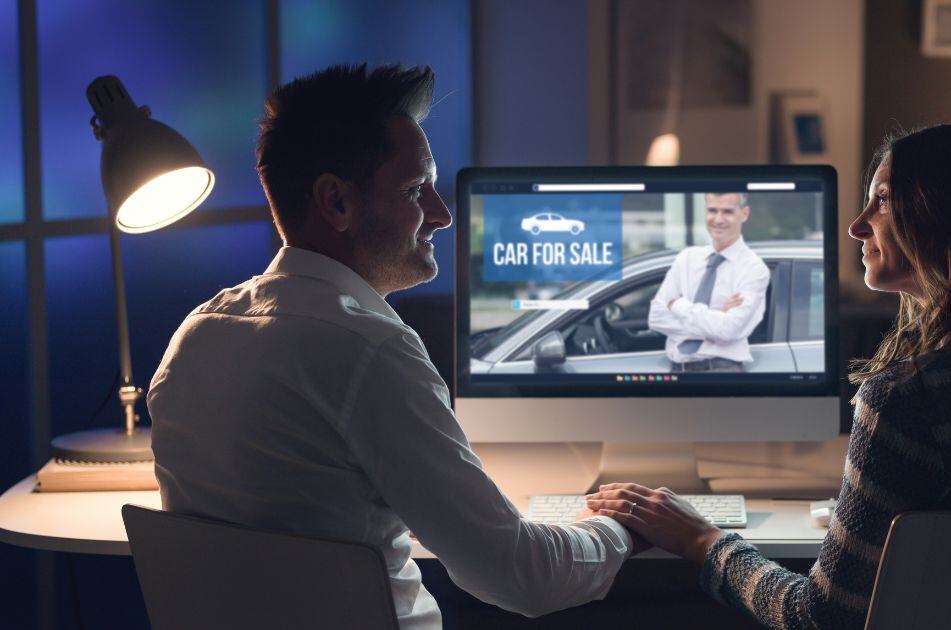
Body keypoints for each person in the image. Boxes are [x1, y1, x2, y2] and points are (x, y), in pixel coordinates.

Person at [585, 124, 951, 629]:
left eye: (881, 198)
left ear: (944, 218)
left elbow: (820, 617)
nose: (857, 224)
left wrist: (701, 539)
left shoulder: (909, 400)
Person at [147, 64, 634, 627]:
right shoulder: (369, 350)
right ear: (336, 202)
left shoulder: (194, 337)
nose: (442, 213)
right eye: (413, 189)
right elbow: (519, 574)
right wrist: (624, 525)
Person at [647, 192, 771, 372]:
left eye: (728, 212)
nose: (718, 219)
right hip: (676, 372)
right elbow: (656, 317)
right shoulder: (686, 258)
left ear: (744, 214)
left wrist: (679, 306)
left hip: (723, 373)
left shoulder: (754, 269)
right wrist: (716, 317)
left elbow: (728, 331)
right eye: (712, 210)